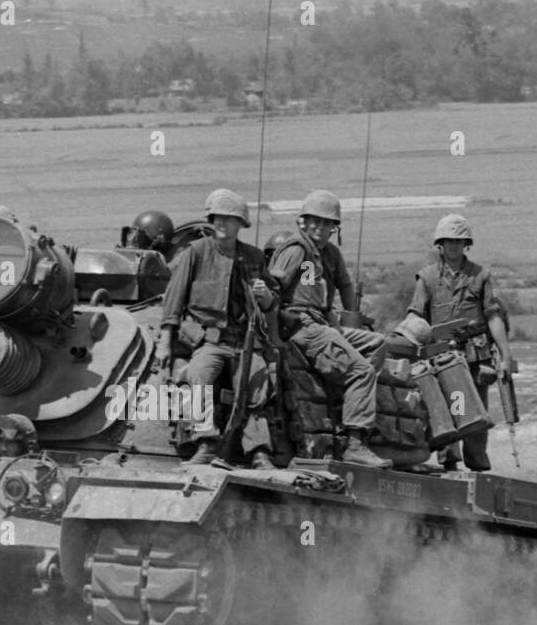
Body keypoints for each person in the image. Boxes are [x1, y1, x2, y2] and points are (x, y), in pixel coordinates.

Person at [269, 190, 391, 468]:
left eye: (328, 224)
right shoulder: (296, 250)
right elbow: (274, 286)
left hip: (324, 322)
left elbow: (345, 284)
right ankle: (355, 442)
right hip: (302, 325)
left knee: (376, 343)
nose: (321, 229)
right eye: (315, 222)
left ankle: (349, 402)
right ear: (303, 222)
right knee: (362, 371)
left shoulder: (329, 253)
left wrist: (349, 318)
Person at [157, 188, 278, 466]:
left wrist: (265, 296)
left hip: (244, 342)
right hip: (210, 341)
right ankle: (206, 442)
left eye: (229, 219)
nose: (222, 224)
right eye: (217, 218)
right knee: (199, 375)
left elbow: (272, 304)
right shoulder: (196, 253)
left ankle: (259, 451)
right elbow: (173, 299)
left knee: (256, 383)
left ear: (240, 224)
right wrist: (165, 341)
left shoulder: (254, 258)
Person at [407, 213, 513, 471]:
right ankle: (449, 462)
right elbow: (415, 315)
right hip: (441, 357)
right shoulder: (427, 278)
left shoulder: (480, 276)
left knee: (476, 412)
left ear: (466, 244)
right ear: (439, 244)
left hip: (476, 356)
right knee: (449, 409)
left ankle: (477, 465)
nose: (454, 246)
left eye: (459, 241)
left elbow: (493, 316)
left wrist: (506, 356)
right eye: (448, 241)